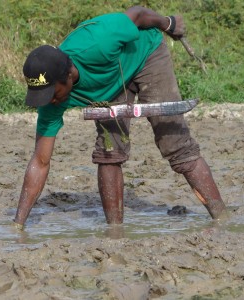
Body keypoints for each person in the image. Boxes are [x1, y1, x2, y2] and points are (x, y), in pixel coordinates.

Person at [14, 6, 226, 230]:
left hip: (146, 56)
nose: (50, 101)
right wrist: (18, 224)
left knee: (175, 143)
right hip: (112, 84)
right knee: (109, 151)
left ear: (68, 75)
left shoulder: (98, 42)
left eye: (52, 94)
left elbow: (137, 14)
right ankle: (115, 231)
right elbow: (40, 160)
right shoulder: (52, 100)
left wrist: (168, 24)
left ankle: (221, 217)